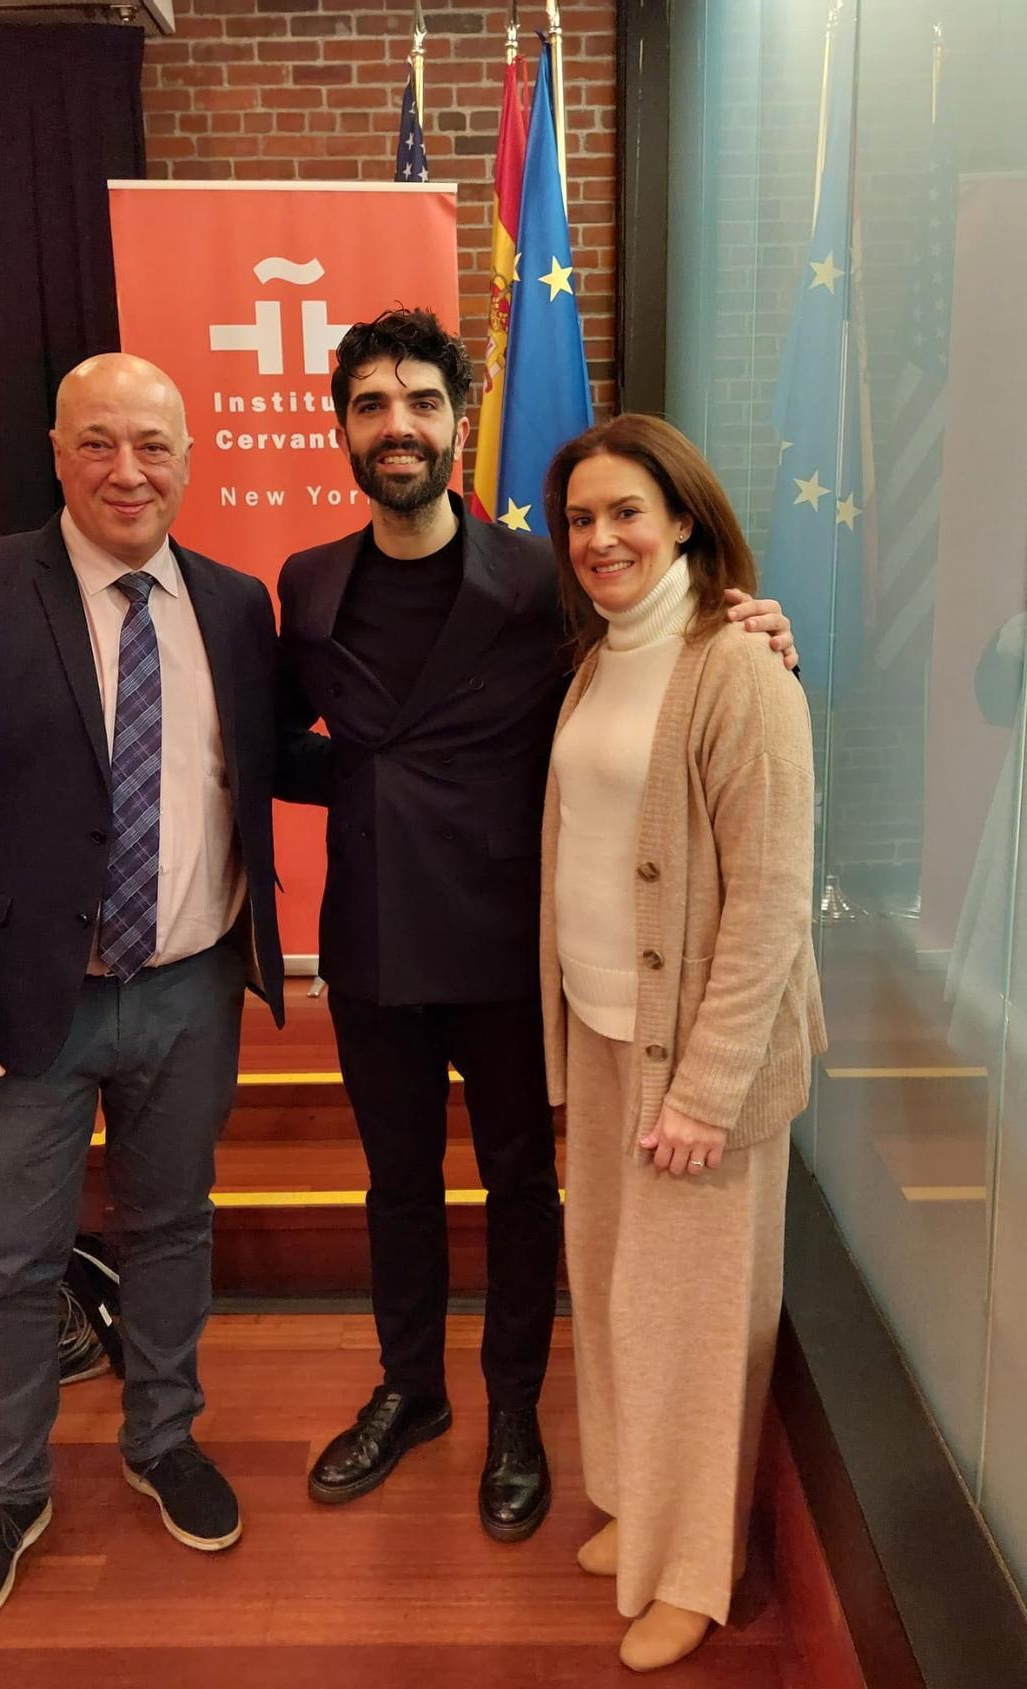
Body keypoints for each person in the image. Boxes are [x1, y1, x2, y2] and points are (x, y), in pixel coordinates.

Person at [276, 310, 798, 1542]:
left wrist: (760, 635)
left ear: (461, 424)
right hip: (371, 939)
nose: (395, 426)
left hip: (515, 948)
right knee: (395, 1183)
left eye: (419, 402)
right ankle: (411, 1391)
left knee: (521, 1184)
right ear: (342, 426)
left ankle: (514, 1408)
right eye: (370, 405)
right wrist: (365, 780)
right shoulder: (305, 583)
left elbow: (665, 675)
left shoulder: (538, 579)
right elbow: (275, 741)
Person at [0, 353, 323, 1646]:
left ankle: (162, 1437)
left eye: (155, 445)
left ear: (188, 457)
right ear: (59, 452)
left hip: (189, 992)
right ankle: (7, 1493)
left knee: (175, 1226)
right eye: (102, 443)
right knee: (8, 1266)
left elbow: (282, 760)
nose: (131, 469)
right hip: (15, 1009)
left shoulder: (235, 607)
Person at [537, 414, 826, 1671]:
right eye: (581, 520)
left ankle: (693, 1573)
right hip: (607, 1033)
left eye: (625, 515)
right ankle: (635, 1508)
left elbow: (769, 902)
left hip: (696, 1063)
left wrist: (705, 1094)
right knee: (610, 1291)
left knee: (694, 1325)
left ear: (685, 522)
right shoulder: (602, 658)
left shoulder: (740, 670)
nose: (600, 540)